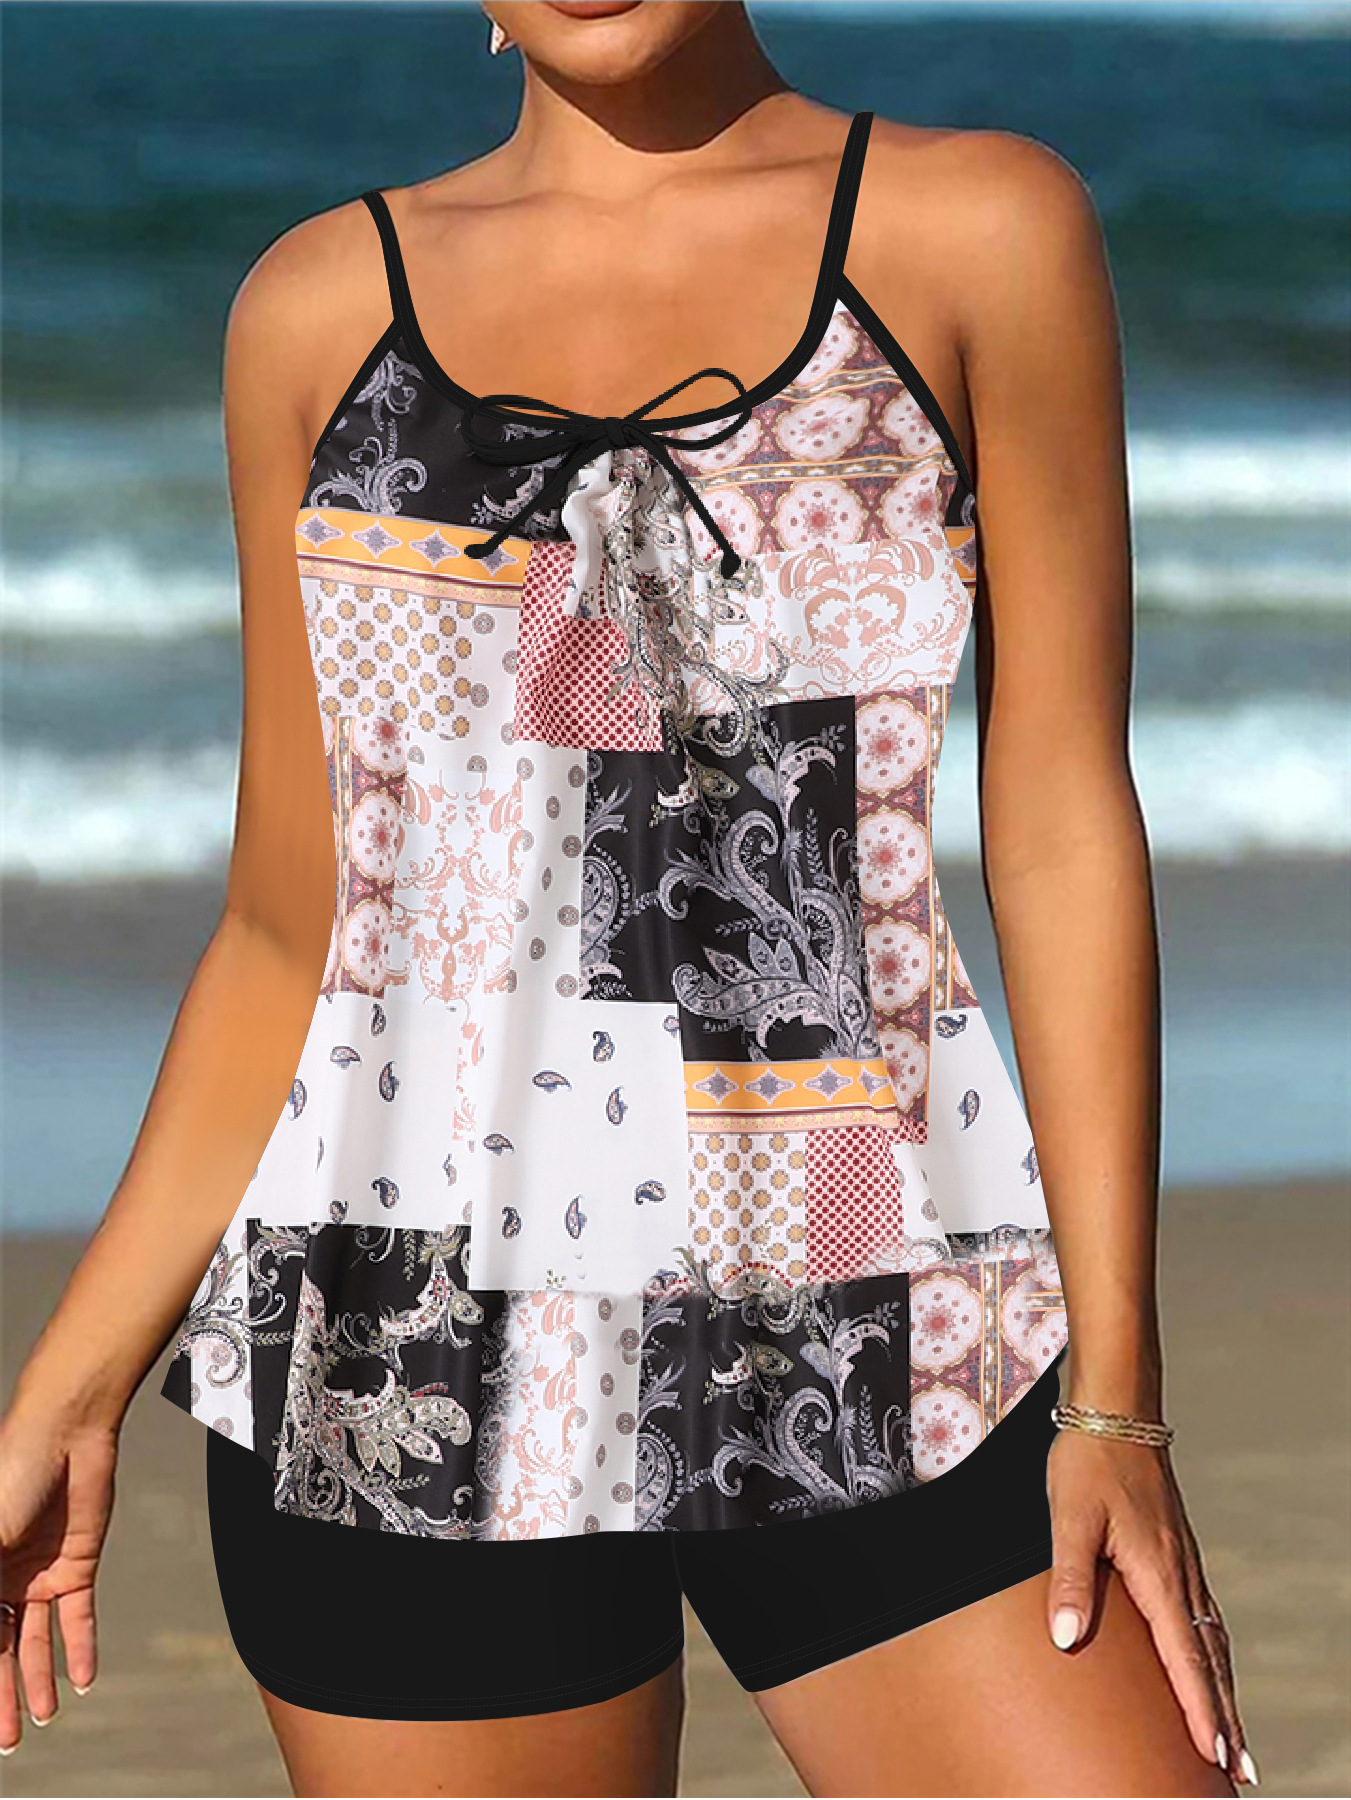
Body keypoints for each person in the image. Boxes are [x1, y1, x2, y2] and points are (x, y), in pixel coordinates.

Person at [0, 3, 1255, 1794]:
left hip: (885, 1298)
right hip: (400, 1342)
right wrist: (72, 1384)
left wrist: (1117, 1394)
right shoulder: (311, 313)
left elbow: (1058, 818)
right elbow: (295, 924)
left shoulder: (978, 230)